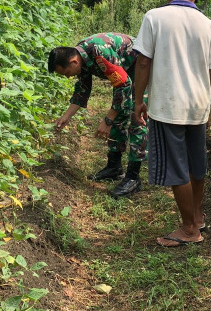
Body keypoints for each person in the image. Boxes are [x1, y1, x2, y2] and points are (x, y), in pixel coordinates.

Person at [133, 0, 211, 247]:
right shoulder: (207, 24)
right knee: (196, 165)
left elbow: (143, 63)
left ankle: (188, 230)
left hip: (166, 106)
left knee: (177, 169)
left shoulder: (154, 17)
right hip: (198, 105)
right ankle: (197, 218)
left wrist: (139, 99)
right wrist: (209, 106)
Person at [48, 33, 147, 198]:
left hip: (143, 66)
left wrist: (108, 120)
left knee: (137, 117)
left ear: (73, 62)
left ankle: (133, 177)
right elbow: (83, 89)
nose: (67, 77)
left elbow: (123, 84)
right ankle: (114, 167)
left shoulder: (99, 52)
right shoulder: (80, 55)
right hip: (126, 72)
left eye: (65, 73)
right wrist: (66, 117)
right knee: (120, 112)